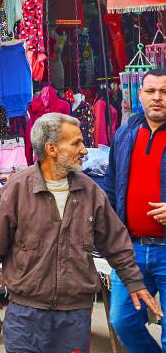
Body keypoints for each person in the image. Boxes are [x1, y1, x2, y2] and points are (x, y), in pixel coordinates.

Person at [0, 113, 159, 352]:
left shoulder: (90, 191)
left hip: (75, 316)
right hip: (26, 314)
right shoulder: (18, 189)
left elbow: (116, 243)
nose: (84, 150)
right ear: (51, 148)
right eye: (76, 143)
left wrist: (134, 283)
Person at [101, 67, 166, 350]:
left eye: (164, 92)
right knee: (122, 321)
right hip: (131, 249)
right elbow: (111, 184)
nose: (157, 98)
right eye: (151, 91)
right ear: (139, 95)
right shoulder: (126, 131)